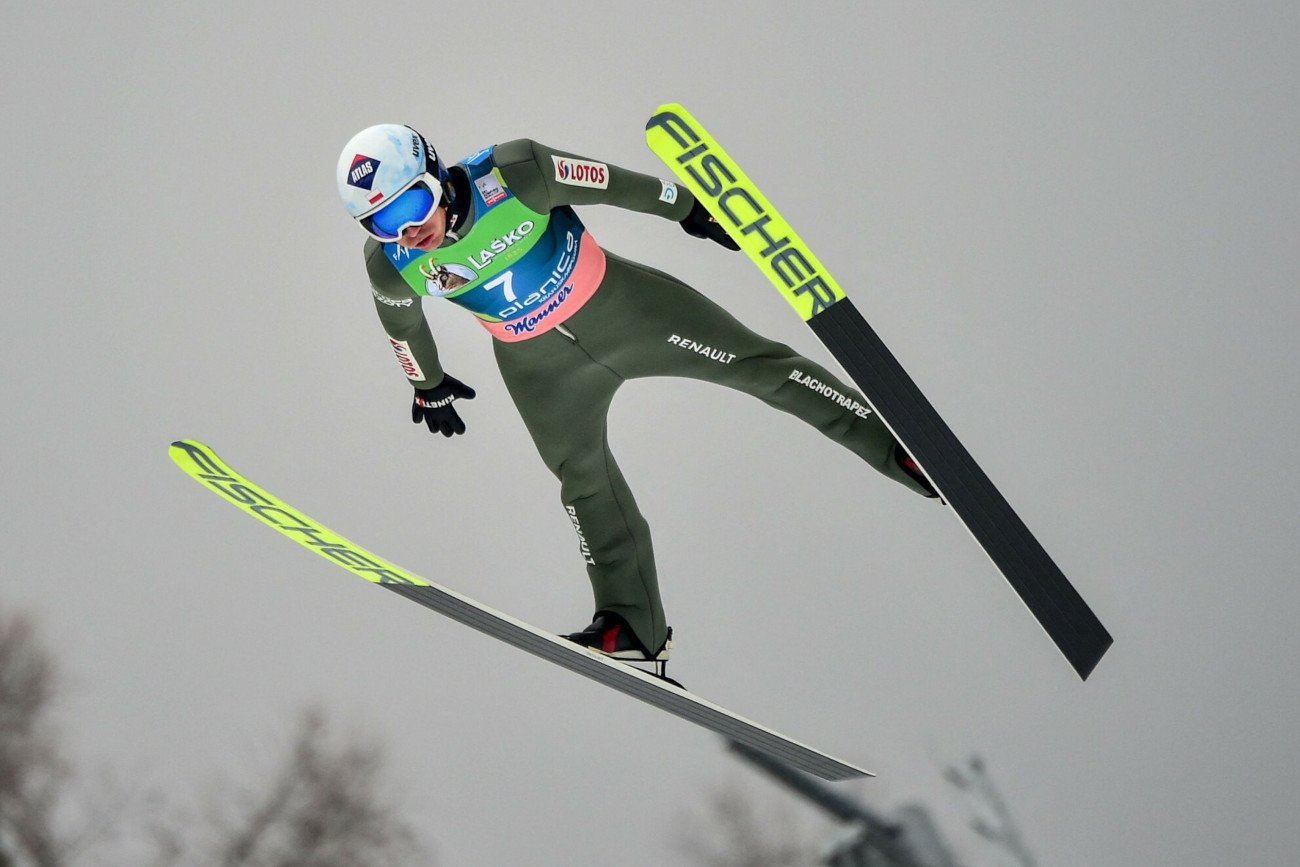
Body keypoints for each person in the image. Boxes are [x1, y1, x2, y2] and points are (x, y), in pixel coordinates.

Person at [335, 124, 937, 666]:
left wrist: (688, 208)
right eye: (383, 223)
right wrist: (427, 385)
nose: (409, 229)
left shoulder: (514, 174)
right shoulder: (392, 263)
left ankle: (902, 450)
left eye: (412, 204)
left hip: (630, 311)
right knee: (583, 480)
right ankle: (631, 623)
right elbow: (403, 324)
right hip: (539, 369)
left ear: (435, 174)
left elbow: (613, 185)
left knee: (761, 368)